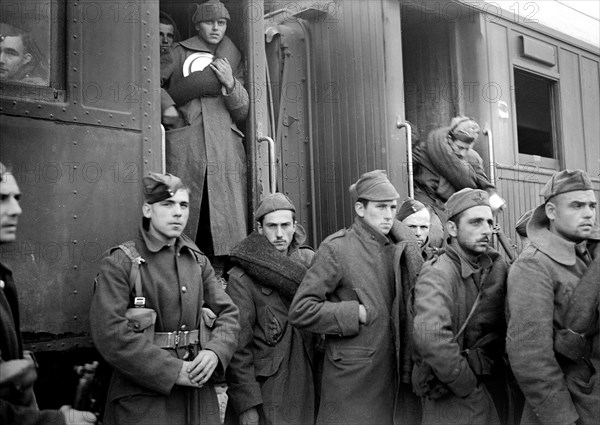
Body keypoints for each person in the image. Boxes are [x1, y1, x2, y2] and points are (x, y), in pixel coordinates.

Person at [89, 172, 240, 425]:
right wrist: (172, 371)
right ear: (148, 210)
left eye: (183, 205)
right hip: (145, 402)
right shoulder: (121, 261)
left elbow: (230, 315)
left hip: (197, 399)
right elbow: (109, 333)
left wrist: (215, 352)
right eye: (168, 204)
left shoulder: (197, 260)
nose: (178, 212)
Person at [289, 170, 423, 425]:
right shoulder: (336, 248)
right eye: (381, 207)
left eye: (393, 207)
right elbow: (301, 310)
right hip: (352, 384)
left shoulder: (402, 247)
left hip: (393, 379)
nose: (388, 215)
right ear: (360, 209)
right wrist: (353, 313)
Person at [0, 162, 95, 425]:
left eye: (16, 198)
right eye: (2, 199)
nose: (16, 209)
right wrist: (57, 422)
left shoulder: (3, 277)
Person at [506, 169, 599, 425]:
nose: (589, 213)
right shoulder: (533, 266)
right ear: (551, 212)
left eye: (592, 205)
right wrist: (563, 419)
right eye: (577, 205)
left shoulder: (590, 253)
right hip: (571, 407)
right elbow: (530, 356)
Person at [162, 0, 249, 266]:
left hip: (224, 148)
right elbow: (153, 83)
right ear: (198, 24)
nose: (216, 28)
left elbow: (243, 110)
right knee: (191, 209)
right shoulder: (179, 51)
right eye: (209, 22)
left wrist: (230, 82)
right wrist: (171, 114)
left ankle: (221, 274)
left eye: (221, 23)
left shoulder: (233, 58)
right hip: (189, 146)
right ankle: (187, 270)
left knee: (222, 216)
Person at [412, 188, 509, 425]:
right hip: (453, 397)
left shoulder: (492, 267)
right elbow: (431, 338)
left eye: (489, 222)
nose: (486, 229)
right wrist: (467, 387)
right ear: (452, 229)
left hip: (488, 389)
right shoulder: (438, 273)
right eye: (475, 222)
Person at [224, 193, 316, 425]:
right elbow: (237, 347)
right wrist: (246, 405)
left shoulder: (310, 267)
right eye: (271, 226)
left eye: (285, 225)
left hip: (308, 381)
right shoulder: (242, 279)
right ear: (259, 229)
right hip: (268, 391)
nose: (279, 234)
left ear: (295, 227)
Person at [412, 116, 505, 226]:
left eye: (467, 149)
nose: (463, 154)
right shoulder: (426, 154)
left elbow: (485, 186)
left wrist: (494, 200)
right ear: (449, 139)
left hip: (460, 210)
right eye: (460, 148)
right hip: (434, 210)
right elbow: (425, 195)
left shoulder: (473, 158)